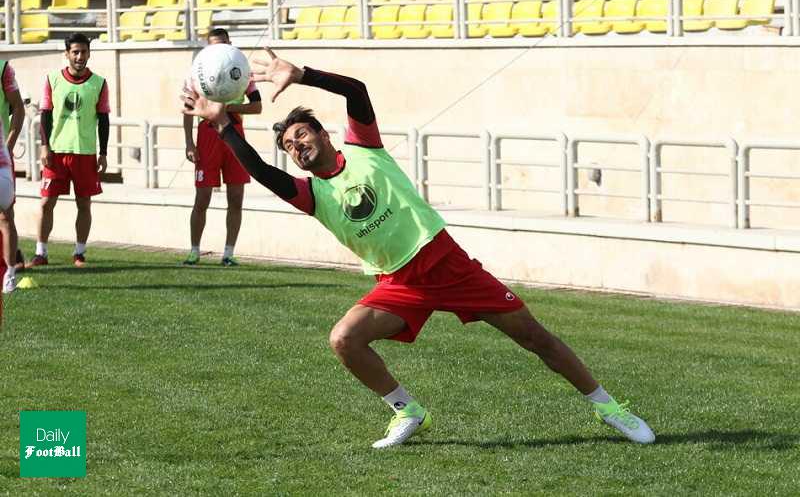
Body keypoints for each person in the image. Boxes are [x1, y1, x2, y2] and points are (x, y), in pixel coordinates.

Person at [181, 49, 656, 449]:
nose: (296, 145)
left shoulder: (365, 149)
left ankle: (608, 408)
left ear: (323, 134)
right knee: (344, 339)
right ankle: (408, 411)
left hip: (446, 263)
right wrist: (223, 125)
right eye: (288, 144)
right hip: (399, 283)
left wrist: (302, 75)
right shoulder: (311, 195)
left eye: (302, 134)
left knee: (536, 338)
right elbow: (261, 172)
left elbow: (357, 91)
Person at [26, 33, 110, 269]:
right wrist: (44, 146)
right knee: (46, 203)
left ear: (89, 53)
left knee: (84, 204)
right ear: (67, 54)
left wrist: (103, 153)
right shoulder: (52, 79)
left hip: (85, 152)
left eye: (83, 51)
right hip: (56, 152)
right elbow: (45, 115)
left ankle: (79, 253)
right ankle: (41, 253)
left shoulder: (99, 83)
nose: (79, 56)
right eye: (75, 52)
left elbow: (103, 120)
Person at [182, 28, 262, 267]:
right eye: (213, 46)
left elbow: (257, 106)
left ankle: (228, 253)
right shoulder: (196, 73)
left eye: (223, 45)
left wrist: (226, 110)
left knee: (236, 197)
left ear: (230, 45)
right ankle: (194, 251)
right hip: (207, 135)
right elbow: (187, 108)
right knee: (202, 197)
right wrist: (189, 142)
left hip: (234, 135)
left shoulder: (242, 72)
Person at [0, 59, 25, 292]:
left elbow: (18, 107)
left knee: (5, 215)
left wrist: (8, 145)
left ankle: (10, 272)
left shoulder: (3, 69)